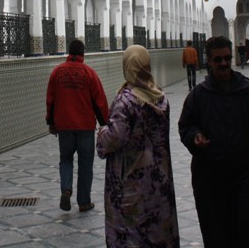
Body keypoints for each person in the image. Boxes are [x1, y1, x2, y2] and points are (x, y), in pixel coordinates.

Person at [178, 36, 249, 248]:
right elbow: (186, 126)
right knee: (218, 234)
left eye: (226, 59)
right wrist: (195, 137)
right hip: (212, 181)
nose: (223, 64)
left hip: (247, 177)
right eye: (218, 59)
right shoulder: (198, 96)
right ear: (209, 61)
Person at [97, 45, 180, 247]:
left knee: (131, 235)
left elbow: (114, 138)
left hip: (131, 184)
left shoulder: (125, 101)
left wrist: (101, 134)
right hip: (159, 181)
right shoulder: (160, 97)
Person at [45, 39, 109, 212]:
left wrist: (51, 122)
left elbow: (50, 100)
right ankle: (84, 202)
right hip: (85, 127)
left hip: (64, 125)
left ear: (69, 52)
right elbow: (99, 101)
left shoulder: (57, 72)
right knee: (85, 163)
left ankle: (66, 190)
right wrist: (105, 123)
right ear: (83, 53)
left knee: (65, 159)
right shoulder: (89, 73)